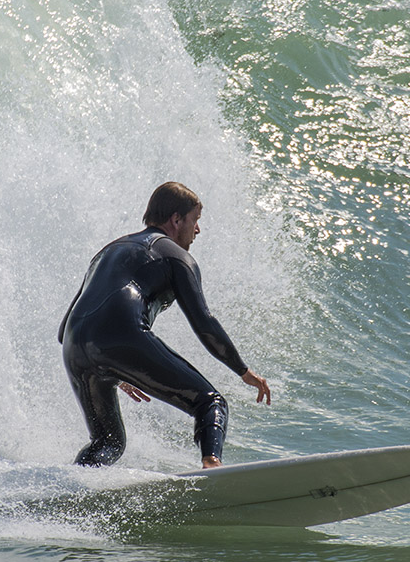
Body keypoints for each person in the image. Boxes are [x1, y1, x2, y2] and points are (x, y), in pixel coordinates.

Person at [58, 182, 271, 469]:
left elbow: (63, 331)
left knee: (108, 442)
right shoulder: (176, 256)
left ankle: (73, 490)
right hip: (121, 334)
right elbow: (204, 323)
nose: (197, 230)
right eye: (195, 221)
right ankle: (213, 467)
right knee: (210, 403)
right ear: (176, 219)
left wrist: (114, 369)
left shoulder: (106, 252)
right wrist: (243, 371)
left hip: (75, 346)